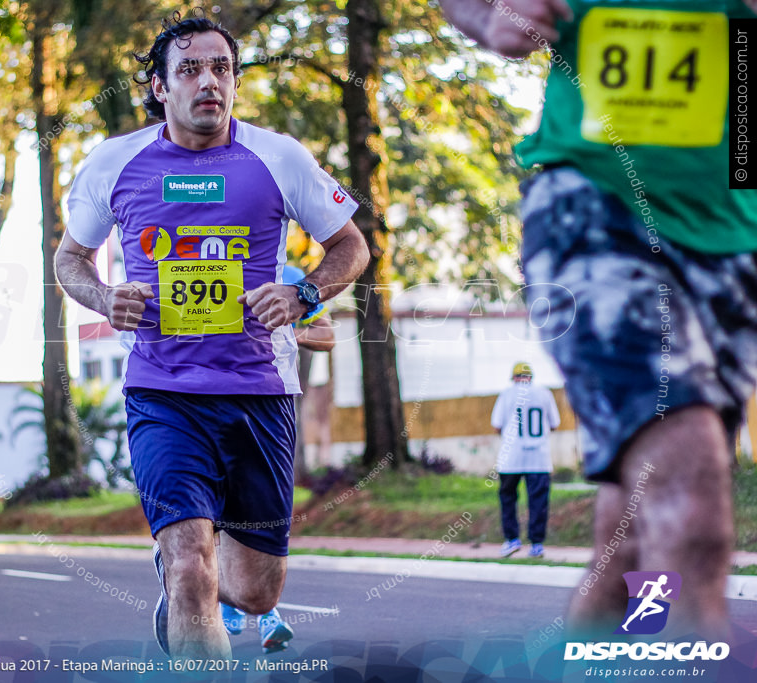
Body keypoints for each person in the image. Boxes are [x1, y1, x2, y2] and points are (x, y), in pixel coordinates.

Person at [55, 13, 368, 659]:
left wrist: (304, 293)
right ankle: (181, 575)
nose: (209, 82)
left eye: (222, 68)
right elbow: (70, 259)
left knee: (254, 592)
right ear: (158, 87)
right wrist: (106, 298)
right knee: (193, 564)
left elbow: (350, 245)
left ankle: (183, 584)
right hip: (163, 390)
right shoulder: (115, 162)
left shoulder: (277, 156)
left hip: (260, 391)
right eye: (190, 68)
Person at [441, 0, 757, 640]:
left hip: (734, 231)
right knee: (693, 519)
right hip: (596, 206)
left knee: (635, 553)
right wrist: (484, 13)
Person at [219, 265, 335, 654]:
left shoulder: (291, 274)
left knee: (262, 518)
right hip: (200, 405)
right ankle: (244, 609)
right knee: (212, 514)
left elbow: (328, 335)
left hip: (267, 409)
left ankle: (256, 611)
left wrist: (290, 328)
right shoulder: (195, 252)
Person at [490, 362, 560, 558]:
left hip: (511, 458)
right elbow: (554, 424)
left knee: (508, 498)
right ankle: (536, 544)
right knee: (538, 501)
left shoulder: (507, 394)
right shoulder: (544, 393)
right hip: (539, 458)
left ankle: (512, 540)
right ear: (531, 377)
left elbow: (496, 425)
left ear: (514, 378)